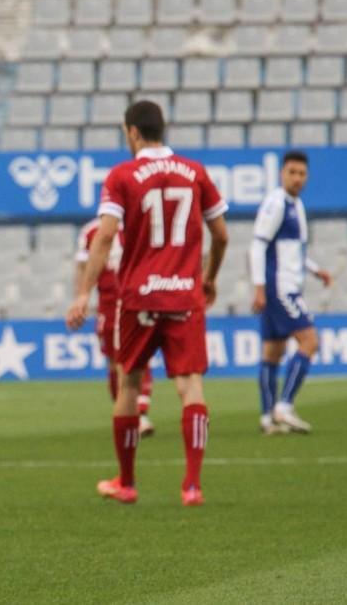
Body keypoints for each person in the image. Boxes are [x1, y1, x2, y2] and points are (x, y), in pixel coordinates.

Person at [67, 101, 228, 507]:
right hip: (184, 295)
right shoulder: (195, 172)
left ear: (133, 132)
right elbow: (222, 235)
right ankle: (192, 485)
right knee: (190, 386)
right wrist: (208, 278)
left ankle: (127, 481)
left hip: (138, 296)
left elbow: (103, 238)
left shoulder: (122, 175)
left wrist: (84, 293)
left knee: (130, 382)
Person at [250, 151, 332, 434]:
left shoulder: (295, 204)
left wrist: (314, 269)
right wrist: (259, 287)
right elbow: (258, 245)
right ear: (282, 173)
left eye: (302, 173)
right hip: (280, 287)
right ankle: (284, 407)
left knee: (273, 352)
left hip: (285, 284)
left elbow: (291, 250)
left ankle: (267, 417)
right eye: (292, 172)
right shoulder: (276, 203)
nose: (297, 178)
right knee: (310, 341)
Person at [75, 219, 155, 436]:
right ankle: (123, 412)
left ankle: (140, 414)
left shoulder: (138, 223)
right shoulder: (90, 231)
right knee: (114, 361)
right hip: (108, 305)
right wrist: (80, 298)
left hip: (137, 300)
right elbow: (82, 269)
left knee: (140, 355)